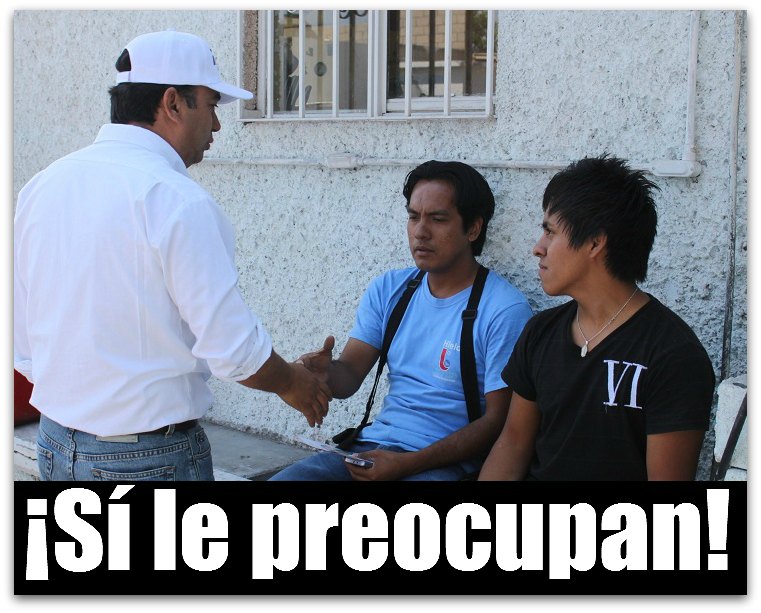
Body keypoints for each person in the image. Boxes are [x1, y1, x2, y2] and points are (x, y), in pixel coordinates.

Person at [13, 30, 331, 481]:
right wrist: (292, 382)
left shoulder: (44, 185)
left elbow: (23, 342)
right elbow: (233, 350)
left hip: (56, 444)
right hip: (146, 459)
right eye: (212, 105)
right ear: (173, 103)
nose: (216, 125)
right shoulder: (177, 199)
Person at [270, 160, 533, 481]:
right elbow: (349, 375)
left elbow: (498, 423)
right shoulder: (390, 290)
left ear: (473, 229)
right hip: (372, 449)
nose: (420, 231)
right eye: (413, 217)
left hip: (446, 464)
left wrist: (408, 464)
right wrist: (326, 374)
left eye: (438, 219)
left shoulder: (503, 309)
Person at [479, 155, 715, 481]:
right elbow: (513, 444)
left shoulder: (672, 354)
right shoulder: (541, 332)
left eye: (550, 232)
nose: (538, 248)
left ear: (594, 243)